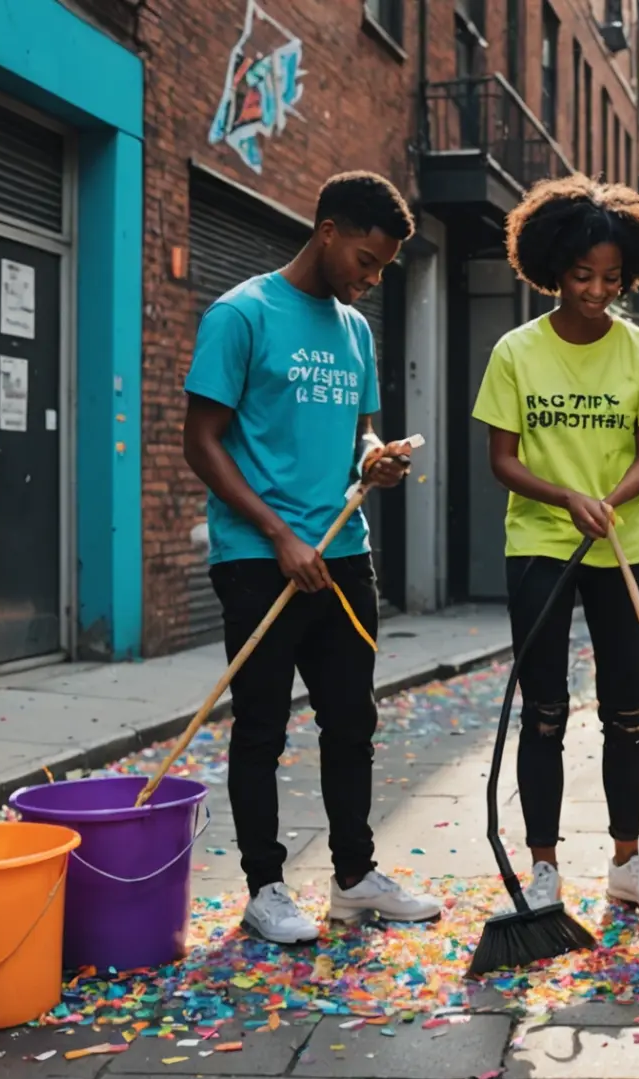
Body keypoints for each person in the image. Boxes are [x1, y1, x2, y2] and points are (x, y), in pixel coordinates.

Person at [183, 171, 436, 944]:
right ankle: (264, 887)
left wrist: (375, 460)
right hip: (259, 557)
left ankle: (355, 878)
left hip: (343, 552)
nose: (372, 277)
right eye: (367, 259)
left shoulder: (356, 331)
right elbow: (202, 442)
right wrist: (277, 534)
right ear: (327, 230)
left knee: (351, 720)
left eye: (385, 267)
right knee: (260, 724)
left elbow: (359, 434)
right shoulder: (242, 314)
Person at [471, 175, 639, 915]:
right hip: (539, 544)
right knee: (545, 710)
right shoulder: (516, 352)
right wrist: (566, 497)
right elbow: (503, 459)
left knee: (628, 709)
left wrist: (610, 501)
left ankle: (628, 858)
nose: (596, 291)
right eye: (582, 276)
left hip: (625, 544)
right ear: (552, 268)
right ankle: (544, 866)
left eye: (612, 278)